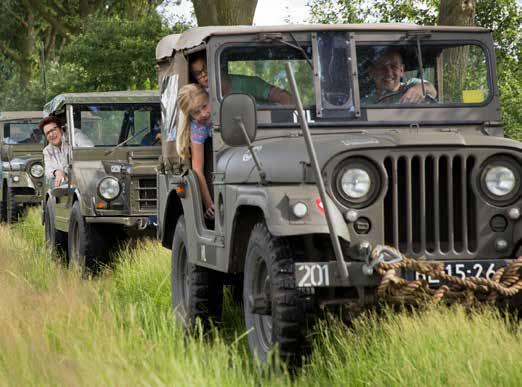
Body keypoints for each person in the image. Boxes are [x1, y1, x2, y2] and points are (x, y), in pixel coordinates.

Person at [190, 54, 293, 105]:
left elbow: (284, 97)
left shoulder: (247, 83)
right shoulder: (204, 98)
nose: (203, 74)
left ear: (216, 65)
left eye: (205, 68)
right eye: (198, 73)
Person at [176, 84, 215, 219]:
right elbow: (197, 170)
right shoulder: (198, 127)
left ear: (209, 98)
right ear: (190, 115)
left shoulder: (218, 98)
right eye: (196, 113)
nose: (203, 114)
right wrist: (209, 204)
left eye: (204, 106)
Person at [367, 49, 437, 104]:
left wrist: (420, 88)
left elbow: (431, 89)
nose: (388, 72)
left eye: (394, 66)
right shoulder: (365, 103)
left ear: (401, 70)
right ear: (372, 72)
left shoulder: (410, 86)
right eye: (382, 67)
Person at [39, 116, 93, 187]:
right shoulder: (47, 150)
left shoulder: (74, 135)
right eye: (48, 133)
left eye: (53, 130)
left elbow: (89, 150)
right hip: (67, 186)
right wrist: (57, 172)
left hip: (87, 179)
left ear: (61, 129)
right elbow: (48, 171)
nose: (51, 134)